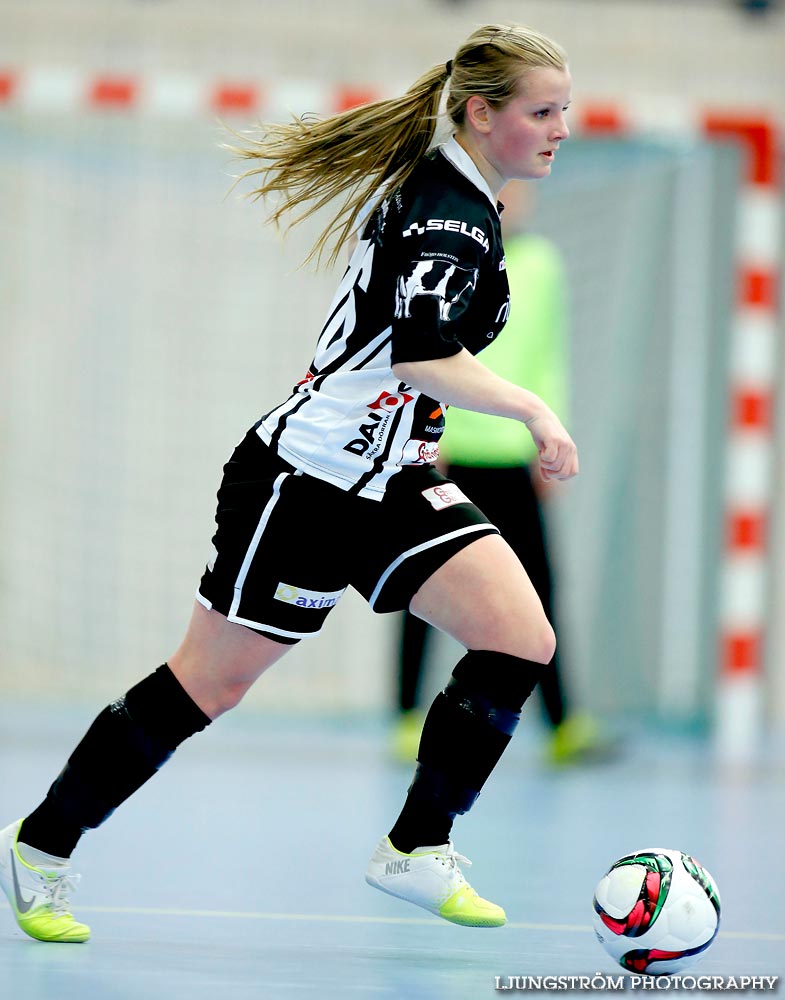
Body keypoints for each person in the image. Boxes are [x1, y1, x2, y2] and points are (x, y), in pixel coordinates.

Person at [0, 22, 576, 942]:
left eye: (564, 112)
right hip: (302, 485)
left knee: (519, 638)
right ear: (480, 113)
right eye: (542, 112)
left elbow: (408, 357)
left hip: (391, 480)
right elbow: (423, 353)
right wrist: (534, 413)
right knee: (208, 686)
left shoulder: (463, 204)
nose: (559, 129)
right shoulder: (447, 217)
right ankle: (42, 844)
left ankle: (416, 848)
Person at [394, 197, 607, 766]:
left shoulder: (543, 265)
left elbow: (548, 359)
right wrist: (426, 441)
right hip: (450, 456)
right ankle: (407, 719)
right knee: (423, 590)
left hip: (513, 458)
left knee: (540, 591)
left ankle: (564, 725)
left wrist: (547, 439)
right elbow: (425, 354)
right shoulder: (453, 259)